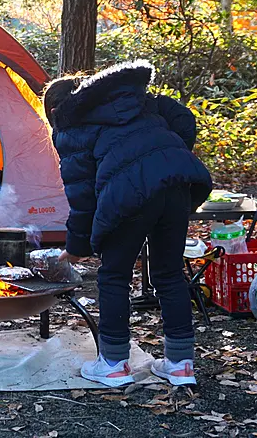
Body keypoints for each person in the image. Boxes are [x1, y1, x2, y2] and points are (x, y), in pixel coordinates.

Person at [43, 60, 212, 388]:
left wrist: (75, 248)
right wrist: (167, 154)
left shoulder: (71, 125)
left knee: (114, 274)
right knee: (168, 272)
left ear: (54, 110)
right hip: (177, 182)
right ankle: (180, 365)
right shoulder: (131, 100)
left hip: (130, 192)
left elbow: (82, 198)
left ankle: (114, 364)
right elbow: (183, 117)